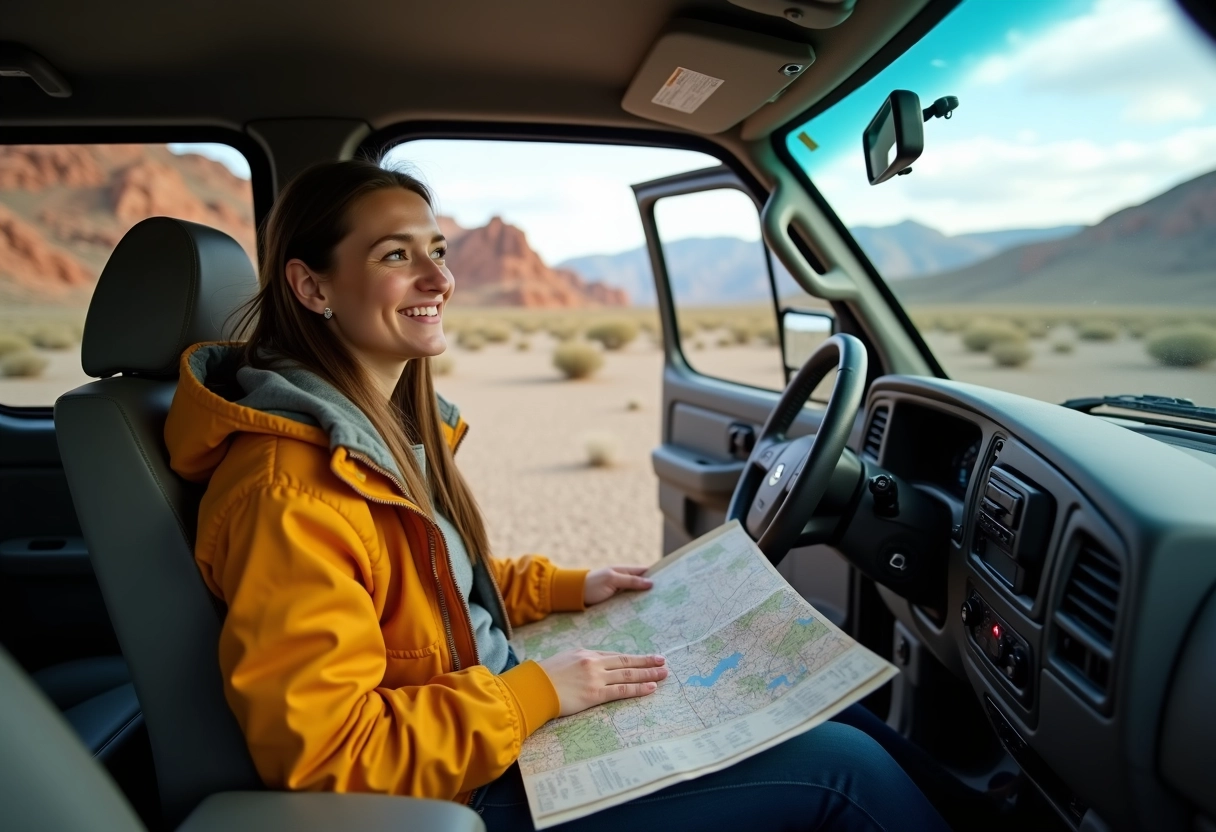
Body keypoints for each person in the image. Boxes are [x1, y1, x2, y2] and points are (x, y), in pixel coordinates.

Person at [165, 159, 950, 832]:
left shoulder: (365, 435)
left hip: (485, 721)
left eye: (437, 250)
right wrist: (535, 692)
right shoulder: (290, 491)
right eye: (396, 256)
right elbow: (328, 757)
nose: (439, 278)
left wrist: (569, 588)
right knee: (844, 772)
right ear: (312, 286)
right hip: (469, 792)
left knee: (823, 703)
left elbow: (427, 591)